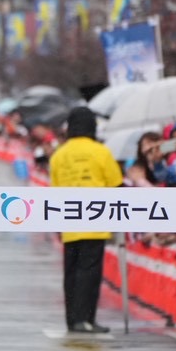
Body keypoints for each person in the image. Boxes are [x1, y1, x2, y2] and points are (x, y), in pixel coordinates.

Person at [47, 107, 125, 333]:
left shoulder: (59, 155)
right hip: (95, 222)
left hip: (69, 222)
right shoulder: (101, 152)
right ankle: (86, 319)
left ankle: (72, 319)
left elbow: (54, 191)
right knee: (89, 274)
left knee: (71, 273)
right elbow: (116, 185)